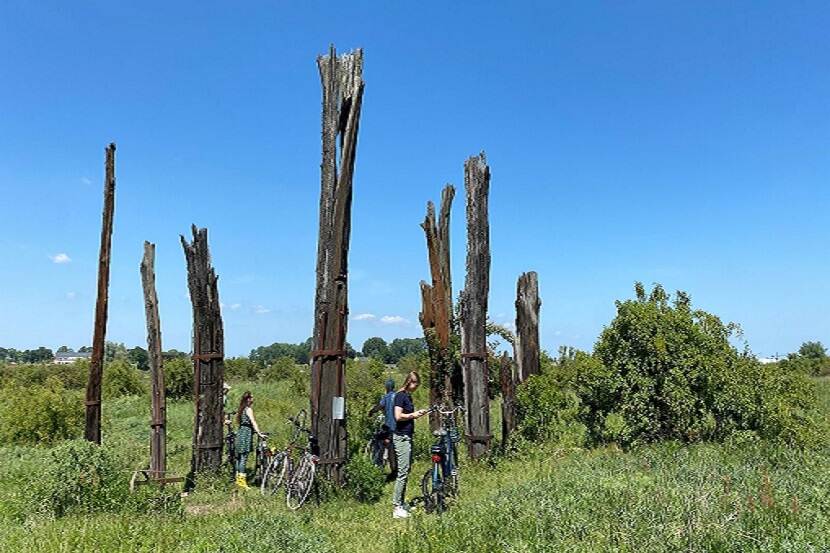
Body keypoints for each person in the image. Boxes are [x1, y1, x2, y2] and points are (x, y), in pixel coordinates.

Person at [391, 372, 429, 519]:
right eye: (415, 384)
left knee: (406, 470)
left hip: (407, 436)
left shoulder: (407, 396)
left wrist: (418, 413)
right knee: (402, 472)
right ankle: (396, 507)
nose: (416, 387)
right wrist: (414, 414)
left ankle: (400, 503)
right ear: (409, 382)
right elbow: (398, 416)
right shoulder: (400, 396)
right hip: (401, 437)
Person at [234, 390, 265, 489]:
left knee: (239, 457)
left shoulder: (241, 409)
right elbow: (253, 422)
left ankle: (238, 479)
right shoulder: (248, 409)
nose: (253, 399)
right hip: (246, 433)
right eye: (251, 397)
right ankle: (242, 482)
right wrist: (259, 433)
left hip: (240, 432)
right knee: (244, 457)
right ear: (248, 399)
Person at [368, 378, 398, 478]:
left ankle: (379, 465)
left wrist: (371, 411)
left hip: (390, 427)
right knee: (392, 447)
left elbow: (379, 406)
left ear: (387, 387)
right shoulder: (398, 396)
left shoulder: (387, 397)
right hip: (398, 427)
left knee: (382, 444)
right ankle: (393, 469)